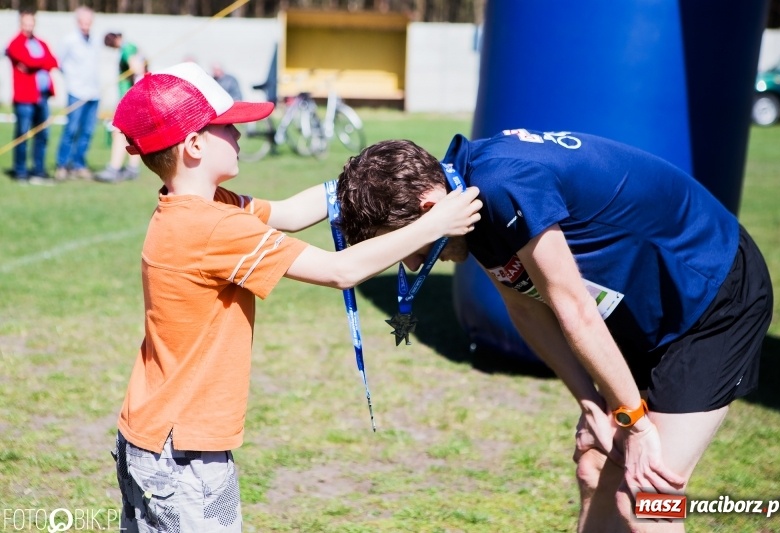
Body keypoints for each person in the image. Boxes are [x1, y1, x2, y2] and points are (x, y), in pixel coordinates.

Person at [335, 131, 773, 532]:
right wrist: (592, 404)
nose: (412, 265)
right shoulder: (464, 197)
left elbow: (575, 309)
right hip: (642, 314)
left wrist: (633, 424)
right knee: (594, 466)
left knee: (647, 499)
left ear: (428, 211)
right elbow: (523, 306)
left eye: (408, 247)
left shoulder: (503, 185)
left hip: (710, 295)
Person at [109, 62, 481, 532]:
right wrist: (433, 226)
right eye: (229, 126)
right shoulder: (213, 228)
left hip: (147, 434)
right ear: (195, 145)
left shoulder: (203, 207)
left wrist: (366, 178)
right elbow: (339, 270)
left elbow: (288, 211)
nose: (243, 133)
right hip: (184, 454)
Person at [5, 8, 58, 185]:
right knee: (22, 133)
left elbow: (53, 61)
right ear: (20, 24)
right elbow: (28, 60)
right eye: (25, 24)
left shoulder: (41, 43)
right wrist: (39, 62)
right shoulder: (14, 44)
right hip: (24, 98)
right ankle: (20, 171)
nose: (29, 27)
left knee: (42, 135)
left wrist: (35, 64)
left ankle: (38, 169)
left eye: (31, 23)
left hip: (42, 96)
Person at [54, 6, 101, 181]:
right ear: (77, 22)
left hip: (94, 93)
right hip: (76, 92)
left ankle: (78, 165)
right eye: (82, 22)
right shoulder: (69, 40)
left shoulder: (95, 40)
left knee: (87, 132)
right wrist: (72, 79)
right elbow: (59, 62)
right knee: (71, 130)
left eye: (88, 22)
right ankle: (62, 165)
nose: (85, 26)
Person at [94, 32, 146, 183]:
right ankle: (132, 168)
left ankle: (114, 169)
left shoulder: (126, 48)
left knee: (119, 132)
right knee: (133, 135)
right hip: (136, 96)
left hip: (129, 97)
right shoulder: (133, 46)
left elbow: (136, 68)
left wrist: (134, 68)